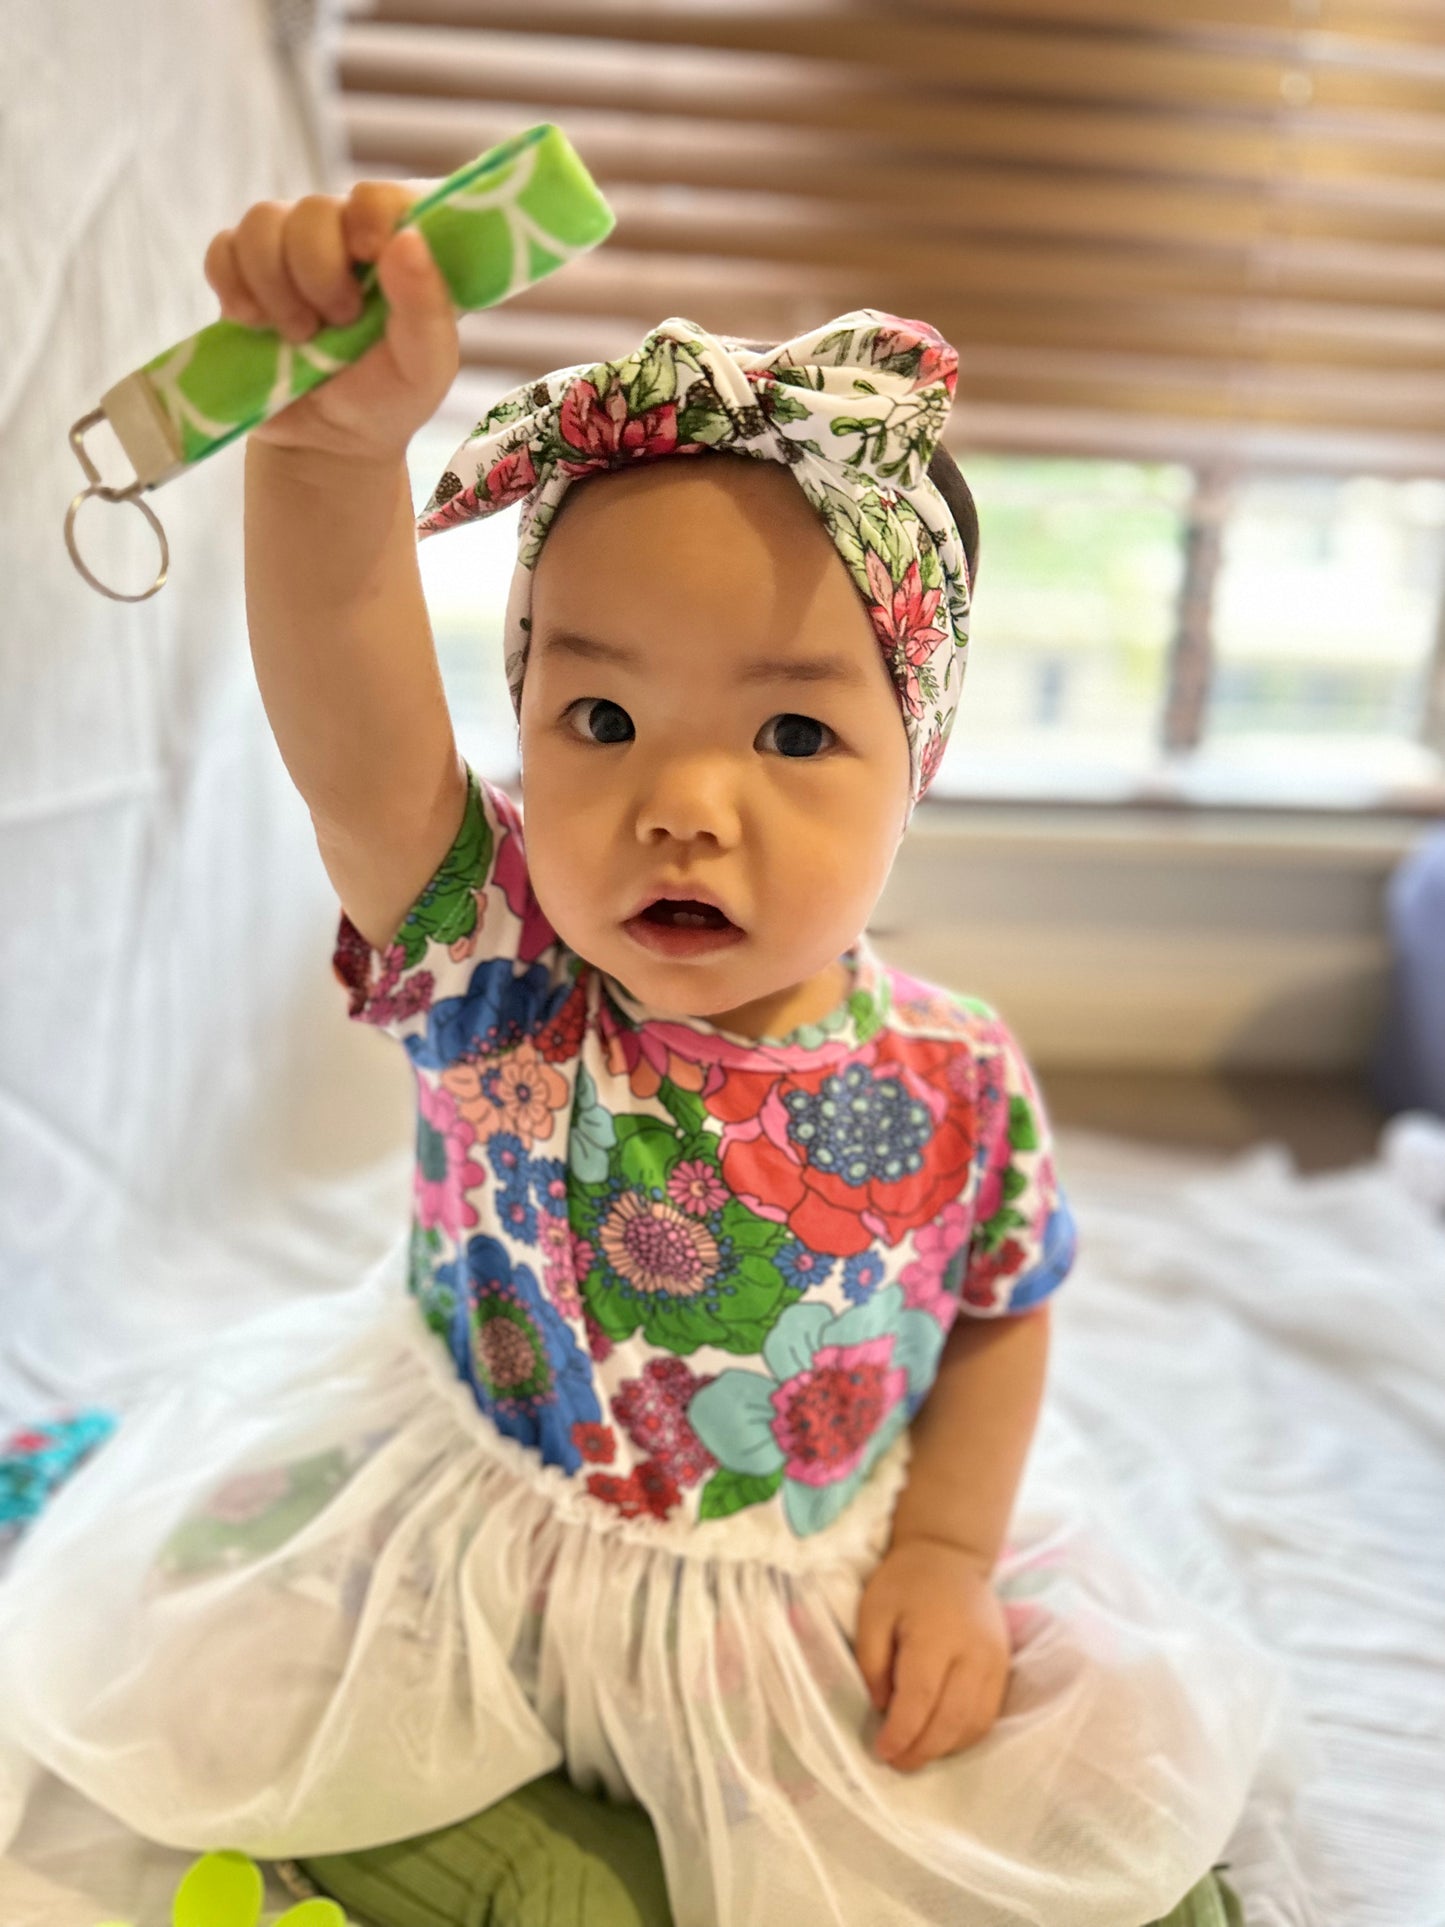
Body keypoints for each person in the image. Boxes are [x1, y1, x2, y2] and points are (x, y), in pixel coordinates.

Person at [0, 180, 1294, 1926]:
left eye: (792, 730)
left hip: (794, 1577)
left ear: (917, 762)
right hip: (480, 1532)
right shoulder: (497, 955)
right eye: (599, 718)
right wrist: (329, 456)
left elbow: (1002, 1301)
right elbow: (360, 740)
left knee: (1103, 1816)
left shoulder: (954, 1069)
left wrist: (944, 1557)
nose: (683, 805)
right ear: (527, 718)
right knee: (212, 1691)